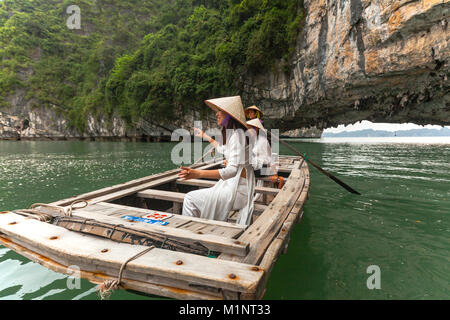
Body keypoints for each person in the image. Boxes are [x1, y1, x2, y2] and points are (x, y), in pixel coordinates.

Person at [178, 96, 256, 226]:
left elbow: (231, 171)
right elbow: (222, 149)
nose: (216, 113)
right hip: (237, 187)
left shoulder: (237, 135)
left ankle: (189, 236)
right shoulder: (235, 134)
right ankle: (194, 231)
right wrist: (204, 136)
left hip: (239, 191)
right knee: (194, 198)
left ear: (229, 115)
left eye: (220, 110)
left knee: (190, 199)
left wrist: (197, 173)